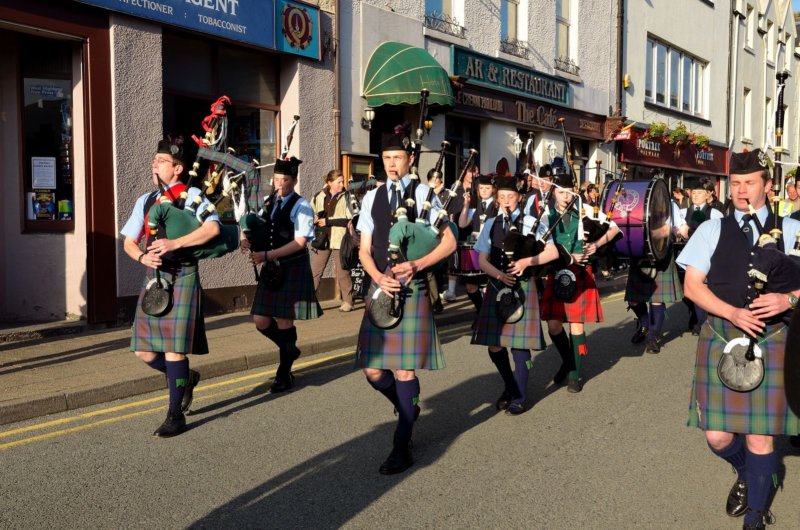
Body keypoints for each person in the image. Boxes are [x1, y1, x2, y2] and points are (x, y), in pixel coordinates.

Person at [676, 149, 800, 528]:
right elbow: (692, 286)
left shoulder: (792, 229)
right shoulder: (712, 228)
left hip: (774, 335)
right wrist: (731, 312)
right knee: (716, 435)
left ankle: (756, 514)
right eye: (735, 184)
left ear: (767, 185)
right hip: (722, 332)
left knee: (761, 438)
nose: (742, 190)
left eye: (750, 183)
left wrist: (789, 297)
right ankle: (750, 474)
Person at [355, 125, 456, 475]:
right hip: (381, 287)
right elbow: (365, 249)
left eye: (397, 157)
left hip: (411, 289)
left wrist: (417, 264)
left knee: (402, 369)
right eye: (386, 158)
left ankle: (402, 444)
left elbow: (449, 242)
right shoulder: (372, 197)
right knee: (372, 370)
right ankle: (405, 408)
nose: (391, 163)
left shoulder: (426, 193)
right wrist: (376, 276)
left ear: (410, 158)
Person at [120, 135, 216, 437]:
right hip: (155, 280)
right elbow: (128, 241)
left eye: (161, 161)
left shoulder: (192, 196)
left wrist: (176, 242)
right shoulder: (145, 200)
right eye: (155, 159)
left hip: (183, 275)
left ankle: (175, 415)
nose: (154, 164)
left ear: (177, 168)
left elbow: (212, 228)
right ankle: (185, 378)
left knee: (174, 350)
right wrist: (142, 257)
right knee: (144, 352)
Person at [471, 176, 558, 414]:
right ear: (496, 199)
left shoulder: (533, 221)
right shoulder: (491, 224)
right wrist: (499, 276)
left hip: (523, 285)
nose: (506, 201)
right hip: (498, 285)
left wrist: (525, 263)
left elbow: (552, 252)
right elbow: (481, 260)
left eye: (510, 197)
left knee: (519, 346)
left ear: (519, 198)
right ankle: (509, 386)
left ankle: (519, 395)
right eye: (501, 197)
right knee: (494, 346)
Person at [242, 157, 322, 393]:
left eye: (285, 179)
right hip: (272, 268)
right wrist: (245, 238)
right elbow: (255, 224)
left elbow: (300, 242)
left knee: (285, 320)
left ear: (294, 180)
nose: (279, 183)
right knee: (261, 320)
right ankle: (290, 349)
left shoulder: (302, 206)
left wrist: (268, 255)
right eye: (276, 179)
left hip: (292, 267)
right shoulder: (269, 202)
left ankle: (284, 372)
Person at [541, 173, 620, 393]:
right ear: (553, 192)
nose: (565, 196)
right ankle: (567, 361)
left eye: (569, 192)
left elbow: (614, 228)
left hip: (580, 272)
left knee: (576, 323)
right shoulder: (545, 214)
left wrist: (595, 244)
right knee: (554, 326)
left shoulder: (585, 211)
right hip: (556, 271)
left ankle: (574, 374)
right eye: (560, 191)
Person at [625, 192, 684, 354]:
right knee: (633, 301)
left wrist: (677, 231)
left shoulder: (671, 206)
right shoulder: (637, 205)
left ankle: (653, 337)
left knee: (656, 300)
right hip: (640, 254)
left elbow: (680, 229)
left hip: (661, 254)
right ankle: (644, 325)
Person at [676, 178, 724, 335]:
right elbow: (676, 231)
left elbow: (719, 235)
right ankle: (694, 314)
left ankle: (699, 323)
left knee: (699, 288)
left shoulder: (714, 213)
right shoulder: (683, 212)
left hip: (704, 257)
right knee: (685, 291)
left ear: (707, 195)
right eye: (693, 193)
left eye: (699, 193)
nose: (695, 196)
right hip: (684, 255)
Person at [310, 169, 355, 312]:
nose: (342, 184)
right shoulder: (318, 196)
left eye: (343, 181)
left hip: (339, 239)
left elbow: (350, 218)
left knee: (343, 272)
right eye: (339, 182)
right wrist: (313, 218)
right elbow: (309, 213)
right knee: (315, 271)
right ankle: (309, 302)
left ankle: (348, 301)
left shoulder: (347, 196)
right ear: (329, 183)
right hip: (321, 239)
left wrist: (328, 221)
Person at [457, 174, 497, 313]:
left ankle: (487, 316)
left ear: (493, 189)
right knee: (471, 286)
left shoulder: (497, 207)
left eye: (487, 188)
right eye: (481, 188)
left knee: (488, 287)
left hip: (491, 251)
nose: (484, 190)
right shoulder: (475, 207)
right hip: (475, 251)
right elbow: (462, 224)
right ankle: (481, 312)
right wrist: (466, 205)